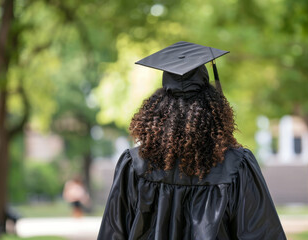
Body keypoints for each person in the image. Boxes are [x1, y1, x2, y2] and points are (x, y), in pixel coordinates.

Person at [97, 42, 286, 239]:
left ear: (158, 108)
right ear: (214, 107)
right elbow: (262, 234)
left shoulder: (135, 164)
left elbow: (113, 233)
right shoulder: (236, 165)